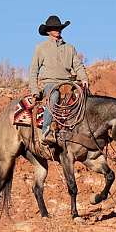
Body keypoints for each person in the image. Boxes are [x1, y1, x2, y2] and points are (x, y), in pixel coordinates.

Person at [29, 15, 89, 144]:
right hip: (50, 83)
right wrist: (35, 90)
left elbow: (78, 65)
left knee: (84, 97)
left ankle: (86, 131)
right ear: (48, 31)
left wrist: (84, 79)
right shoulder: (41, 48)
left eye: (59, 28)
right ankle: (46, 131)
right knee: (54, 95)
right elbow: (34, 70)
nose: (57, 30)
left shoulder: (69, 48)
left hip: (68, 83)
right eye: (54, 28)